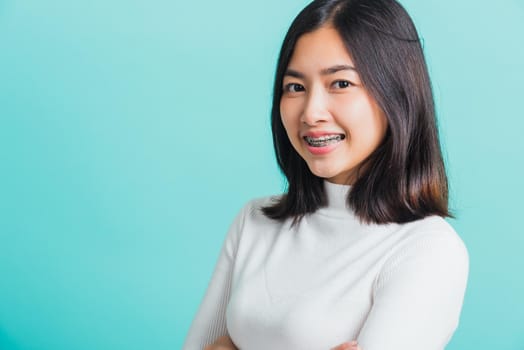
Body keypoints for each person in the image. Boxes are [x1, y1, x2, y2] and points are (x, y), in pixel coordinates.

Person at [183, 0, 469, 349]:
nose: (312, 112)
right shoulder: (254, 221)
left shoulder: (428, 249)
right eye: (296, 87)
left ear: (396, 94)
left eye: (341, 84)